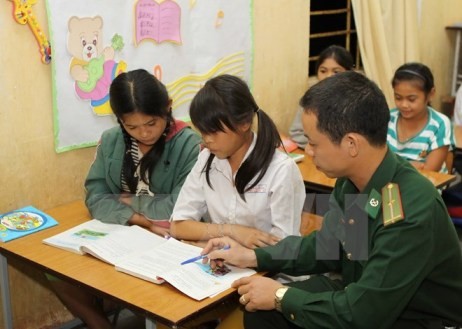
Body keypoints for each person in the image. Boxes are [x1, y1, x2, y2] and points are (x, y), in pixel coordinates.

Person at [202, 71, 462, 329]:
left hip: (414, 317)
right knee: (260, 311)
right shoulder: (353, 182)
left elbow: (364, 314)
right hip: (362, 292)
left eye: (313, 143)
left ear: (351, 144)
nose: (309, 152)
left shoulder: (408, 210)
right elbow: (329, 247)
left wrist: (281, 296)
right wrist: (252, 256)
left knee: (278, 303)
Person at [48, 69, 201, 329]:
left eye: (152, 123)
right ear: (119, 120)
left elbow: (176, 205)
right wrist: (139, 219)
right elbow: (96, 196)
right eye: (131, 126)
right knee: (55, 271)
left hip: (172, 239)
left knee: (142, 283)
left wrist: (130, 201)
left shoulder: (189, 144)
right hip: (127, 232)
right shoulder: (111, 141)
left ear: (168, 108)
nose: (143, 133)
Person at [170, 74, 305, 248]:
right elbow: (179, 226)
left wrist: (229, 246)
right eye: (203, 132)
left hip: (271, 272)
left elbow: (283, 247)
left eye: (214, 132)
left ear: (244, 123)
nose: (206, 140)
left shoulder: (281, 169)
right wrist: (231, 231)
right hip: (222, 266)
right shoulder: (207, 159)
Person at [387, 62, 455, 173]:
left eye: (411, 99)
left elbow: (429, 171)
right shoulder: (388, 118)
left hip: (425, 186)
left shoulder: (440, 124)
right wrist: (412, 165)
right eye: (398, 98)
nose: (404, 105)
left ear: (430, 94)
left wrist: (393, 165)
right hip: (391, 184)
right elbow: (376, 162)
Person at [289, 45, 354, 149]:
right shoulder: (310, 99)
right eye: (323, 71)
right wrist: (320, 146)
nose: (328, 76)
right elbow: (296, 132)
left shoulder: (357, 100)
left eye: (336, 72)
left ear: (349, 73)